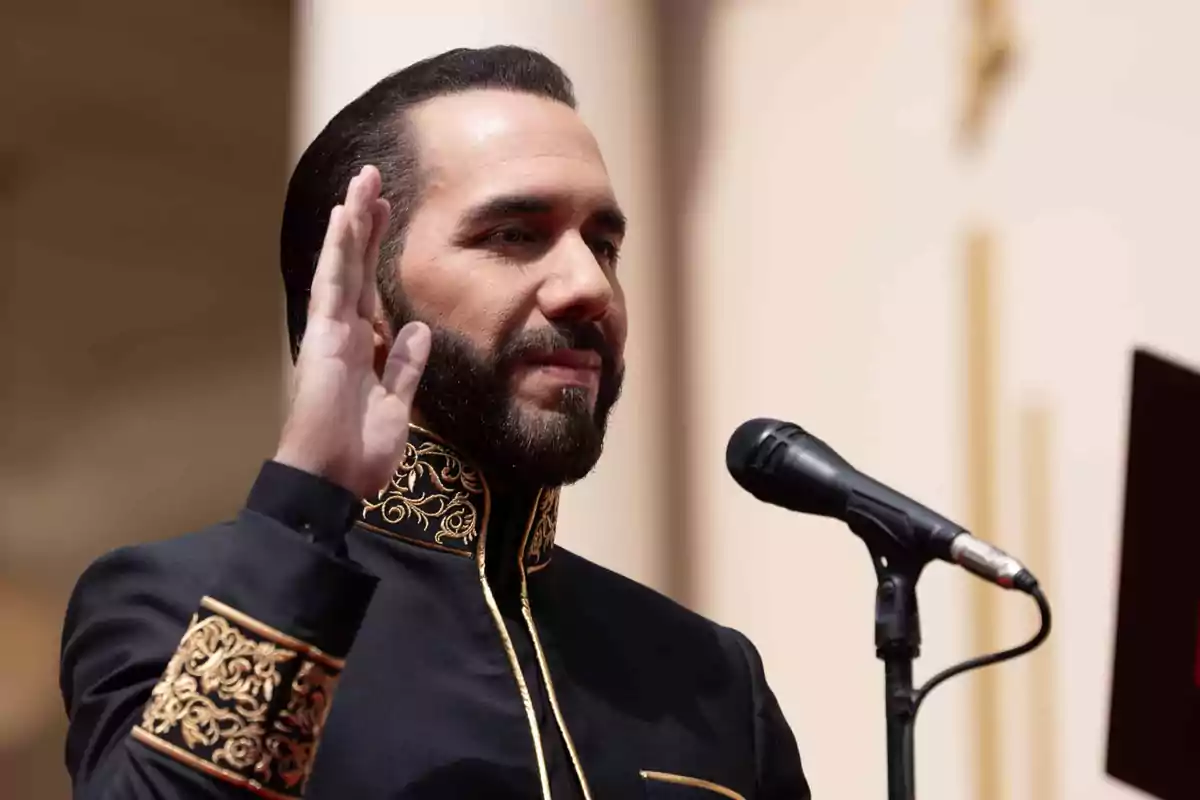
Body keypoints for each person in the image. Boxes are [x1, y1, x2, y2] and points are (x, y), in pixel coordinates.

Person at [59, 46, 811, 800]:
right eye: (515, 234)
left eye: (604, 245)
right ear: (365, 294)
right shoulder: (177, 602)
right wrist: (307, 498)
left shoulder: (708, 674)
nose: (590, 286)